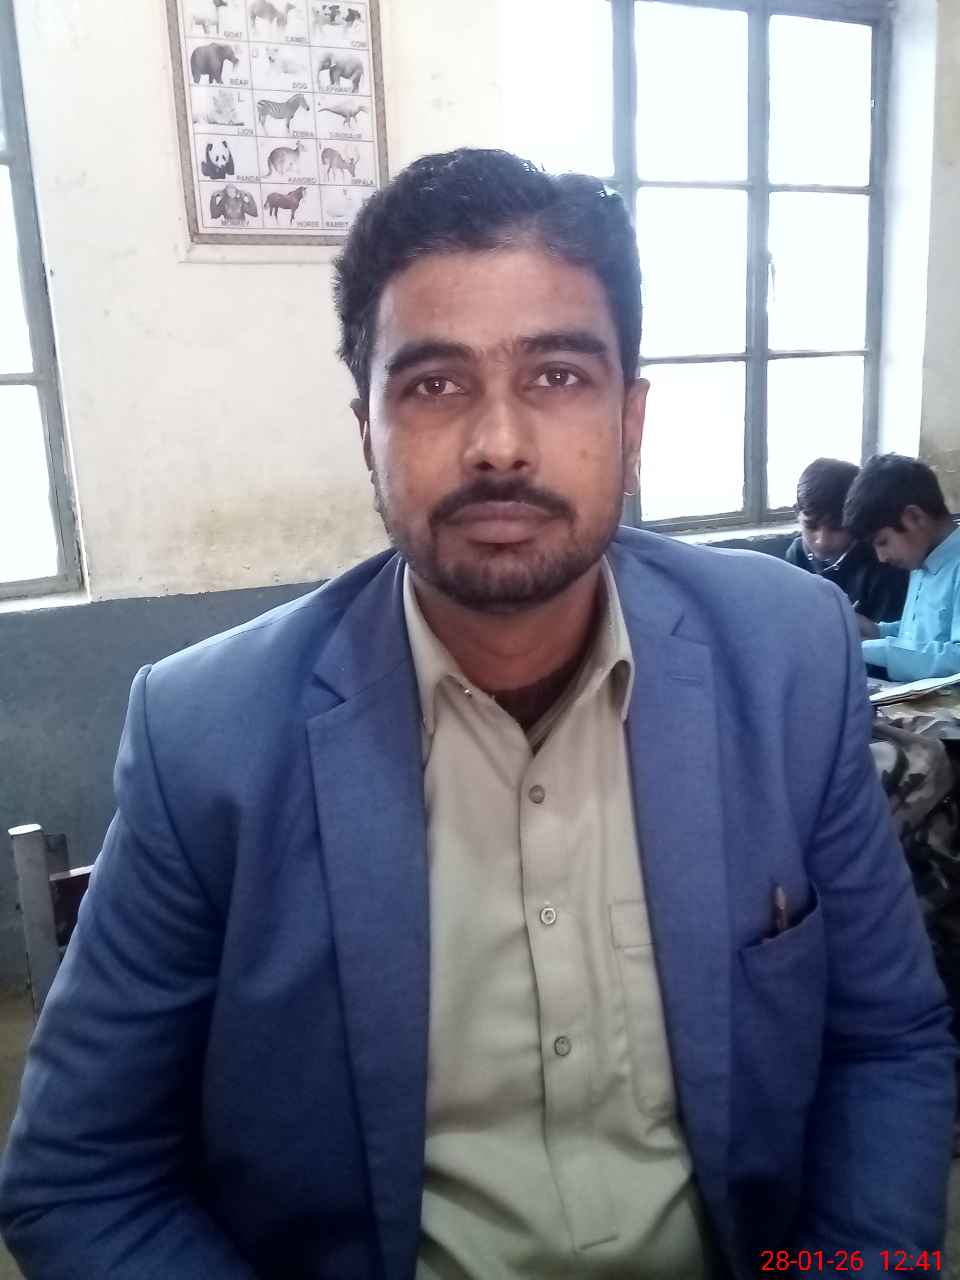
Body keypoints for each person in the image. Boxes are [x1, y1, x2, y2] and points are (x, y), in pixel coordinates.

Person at [0, 150, 953, 1280]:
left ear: (631, 419)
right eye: (434, 385)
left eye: (557, 375)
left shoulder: (785, 658)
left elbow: (887, 1042)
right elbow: (80, 1175)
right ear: (367, 429)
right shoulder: (208, 736)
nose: (500, 441)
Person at [844, 453, 960, 680]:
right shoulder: (921, 561)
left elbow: (957, 660)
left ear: (914, 517)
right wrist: (876, 631)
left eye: (882, 542)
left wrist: (867, 649)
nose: (881, 558)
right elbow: (923, 639)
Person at [785, 457, 908, 622]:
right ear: (796, 513)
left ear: (856, 520)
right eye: (811, 526)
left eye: (837, 528)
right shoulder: (796, 554)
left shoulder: (883, 565)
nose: (822, 541)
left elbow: (888, 632)